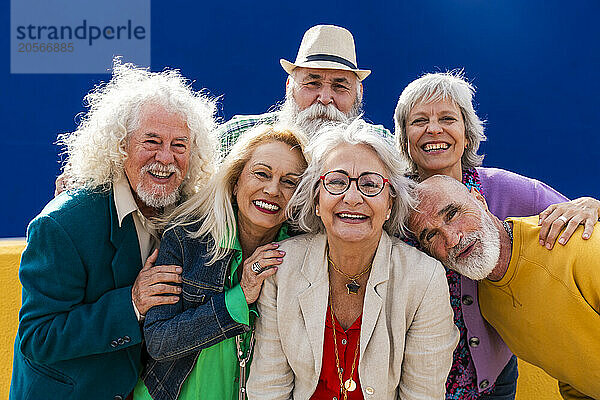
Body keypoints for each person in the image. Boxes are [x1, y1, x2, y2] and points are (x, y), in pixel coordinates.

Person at [9, 59, 218, 400]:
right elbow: (38, 337)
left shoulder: (187, 211)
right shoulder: (63, 223)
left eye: (179, 145)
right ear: (120, 146)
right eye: (151, 141)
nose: (166, 158)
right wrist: (132, 304)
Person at [393, 71, 600, 399]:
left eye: (447, 117)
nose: (434, 129)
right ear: (404, 136)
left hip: (491, 379)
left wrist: (593, 205)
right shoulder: (393, 206)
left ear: (466, 131)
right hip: (417, 378)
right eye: (419, 121)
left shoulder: (510, 191)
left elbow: (578, 229)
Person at [247, 120, 459, 400]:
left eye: (370, 184)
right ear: (316, 200)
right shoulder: (282, 268)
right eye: (336, 182)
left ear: (390, 204)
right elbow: (268, 388)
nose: (352, 197)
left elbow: (423, 394)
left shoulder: (424, 278)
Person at [133, 125, 308, 400]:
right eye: (261, 174)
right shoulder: (187, 238)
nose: (273, 189)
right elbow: (159, 341)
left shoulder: (302, 254)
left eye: (289, 182)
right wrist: (240, 297)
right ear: (236, 180)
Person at [407, 175, 600, 400]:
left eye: (452, 214)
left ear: (479, 200)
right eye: (431, 235)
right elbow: (576, 376)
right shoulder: (490, 307)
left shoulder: (583, 248)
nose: (451, 239)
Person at [218, 24, 389, 156]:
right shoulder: (236, 137)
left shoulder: (383, 146)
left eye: (339, 86)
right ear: (289, 87)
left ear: (359, 93)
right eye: (313, 83)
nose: (324, 98)